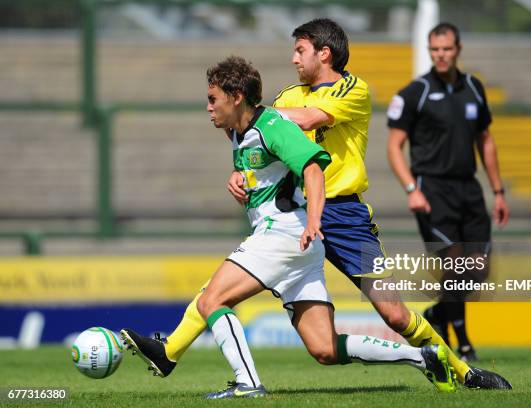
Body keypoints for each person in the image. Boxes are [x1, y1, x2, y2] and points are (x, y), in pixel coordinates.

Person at [122, 19, 510, 391]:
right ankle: (169, 351)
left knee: (393, 313)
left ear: (324, 53)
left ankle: (460, 371)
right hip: (292, 216)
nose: (294, 58)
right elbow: (256, 141)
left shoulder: (352, 89)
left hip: (344, 215)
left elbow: (303, 120)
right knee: (237, 297)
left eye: (300, 50)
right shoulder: (287, 95)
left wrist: (255, 115)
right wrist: (241, 172)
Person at [386, 22, 510, 362]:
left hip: (469, 190)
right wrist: (411, 188)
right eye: (435, 50)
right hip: (431, 189)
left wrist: (498, 191)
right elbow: (395, 147)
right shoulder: (415, 92)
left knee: (477, 268)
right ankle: (464, 344)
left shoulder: (474, 87)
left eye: (447, 49)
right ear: (430, 51)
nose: (441, 55)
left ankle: (439, 315)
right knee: (454, 265)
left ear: (458, 49)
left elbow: (485, 141)